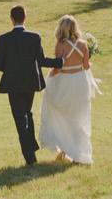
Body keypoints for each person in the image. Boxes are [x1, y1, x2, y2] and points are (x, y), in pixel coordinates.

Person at [0, 4, 64, 166]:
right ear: (25, 18)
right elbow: (42, 61)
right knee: (28, 113)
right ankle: (31, 147)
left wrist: (10, 69)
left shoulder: (3, 39)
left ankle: (30, 157)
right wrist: (60, 62)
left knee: (21, 119)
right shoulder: (34, 37)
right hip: (30, 82)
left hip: (13, 83)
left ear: (11, 19)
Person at [39, 14, 98, 165]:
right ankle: (77, 152)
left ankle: (65, 148)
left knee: (61, 112)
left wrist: (50, 75)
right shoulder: (83, 44)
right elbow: (86, 66)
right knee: (77, 116)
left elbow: (58, 69)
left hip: (64, 82)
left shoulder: (60, 46)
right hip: (79, 82)